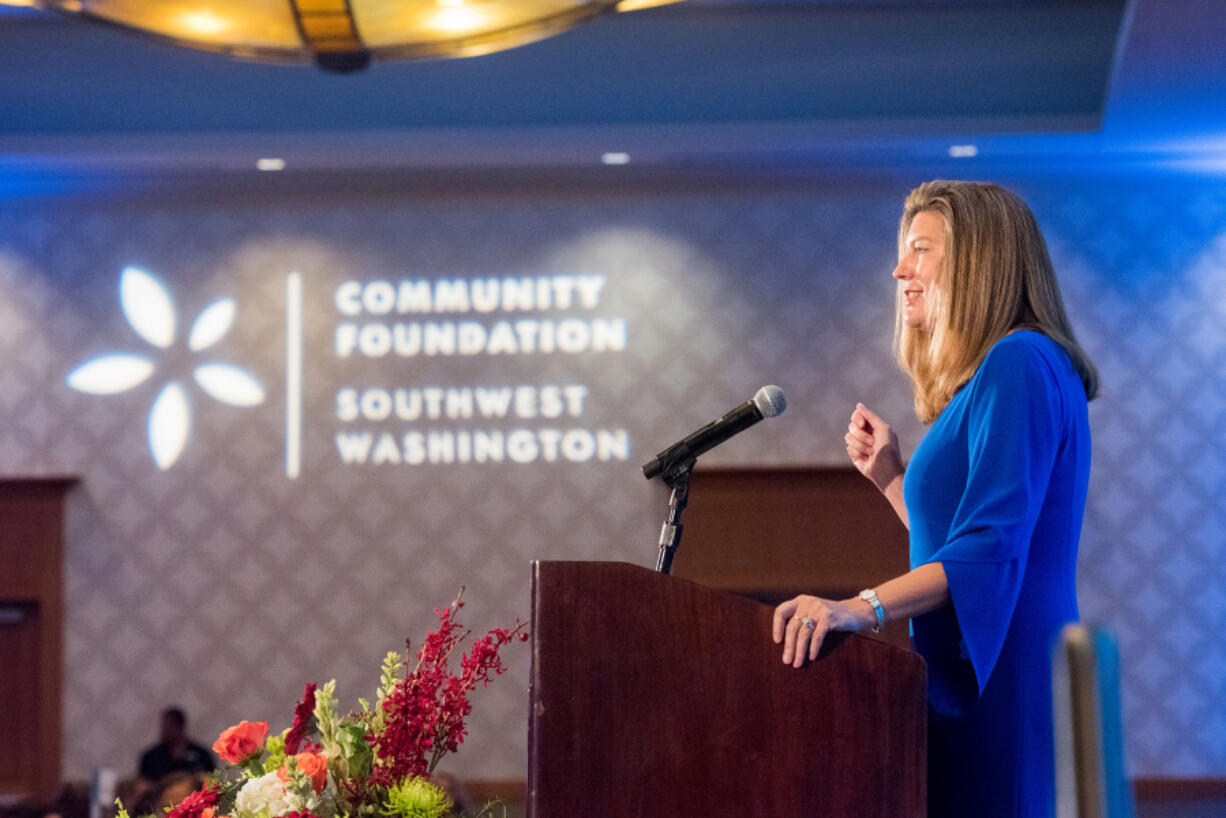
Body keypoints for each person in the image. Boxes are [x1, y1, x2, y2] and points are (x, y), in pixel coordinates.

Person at [772, 180, 1097, 816]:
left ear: (978, 261)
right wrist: (893, 479)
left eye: (920, 250)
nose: (900, 270)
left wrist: (858, 608)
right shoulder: (1011, 368)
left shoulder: (1019, 362)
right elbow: (970, 541)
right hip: (981, 660)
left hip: (1003, 668)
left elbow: (990, 547)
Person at [137, 707, 216, 784]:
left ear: (181, 726)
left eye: (169, 726)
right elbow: (143, 786)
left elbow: (211, 782)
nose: (164, 731)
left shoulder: (201, 755)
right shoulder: (151, 757)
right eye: (163, 727)